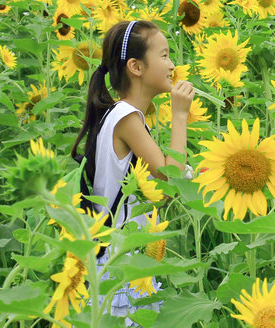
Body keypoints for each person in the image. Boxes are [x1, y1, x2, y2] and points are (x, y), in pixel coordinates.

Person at [71, 19, 194, 323]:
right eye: (164, 55)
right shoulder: (127, 117)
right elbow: (169, 180)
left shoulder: (120, 115)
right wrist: (180, 115)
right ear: (136, 67)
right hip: (120, 265)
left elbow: (156, 187)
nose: (172, 65)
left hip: (114, 259)